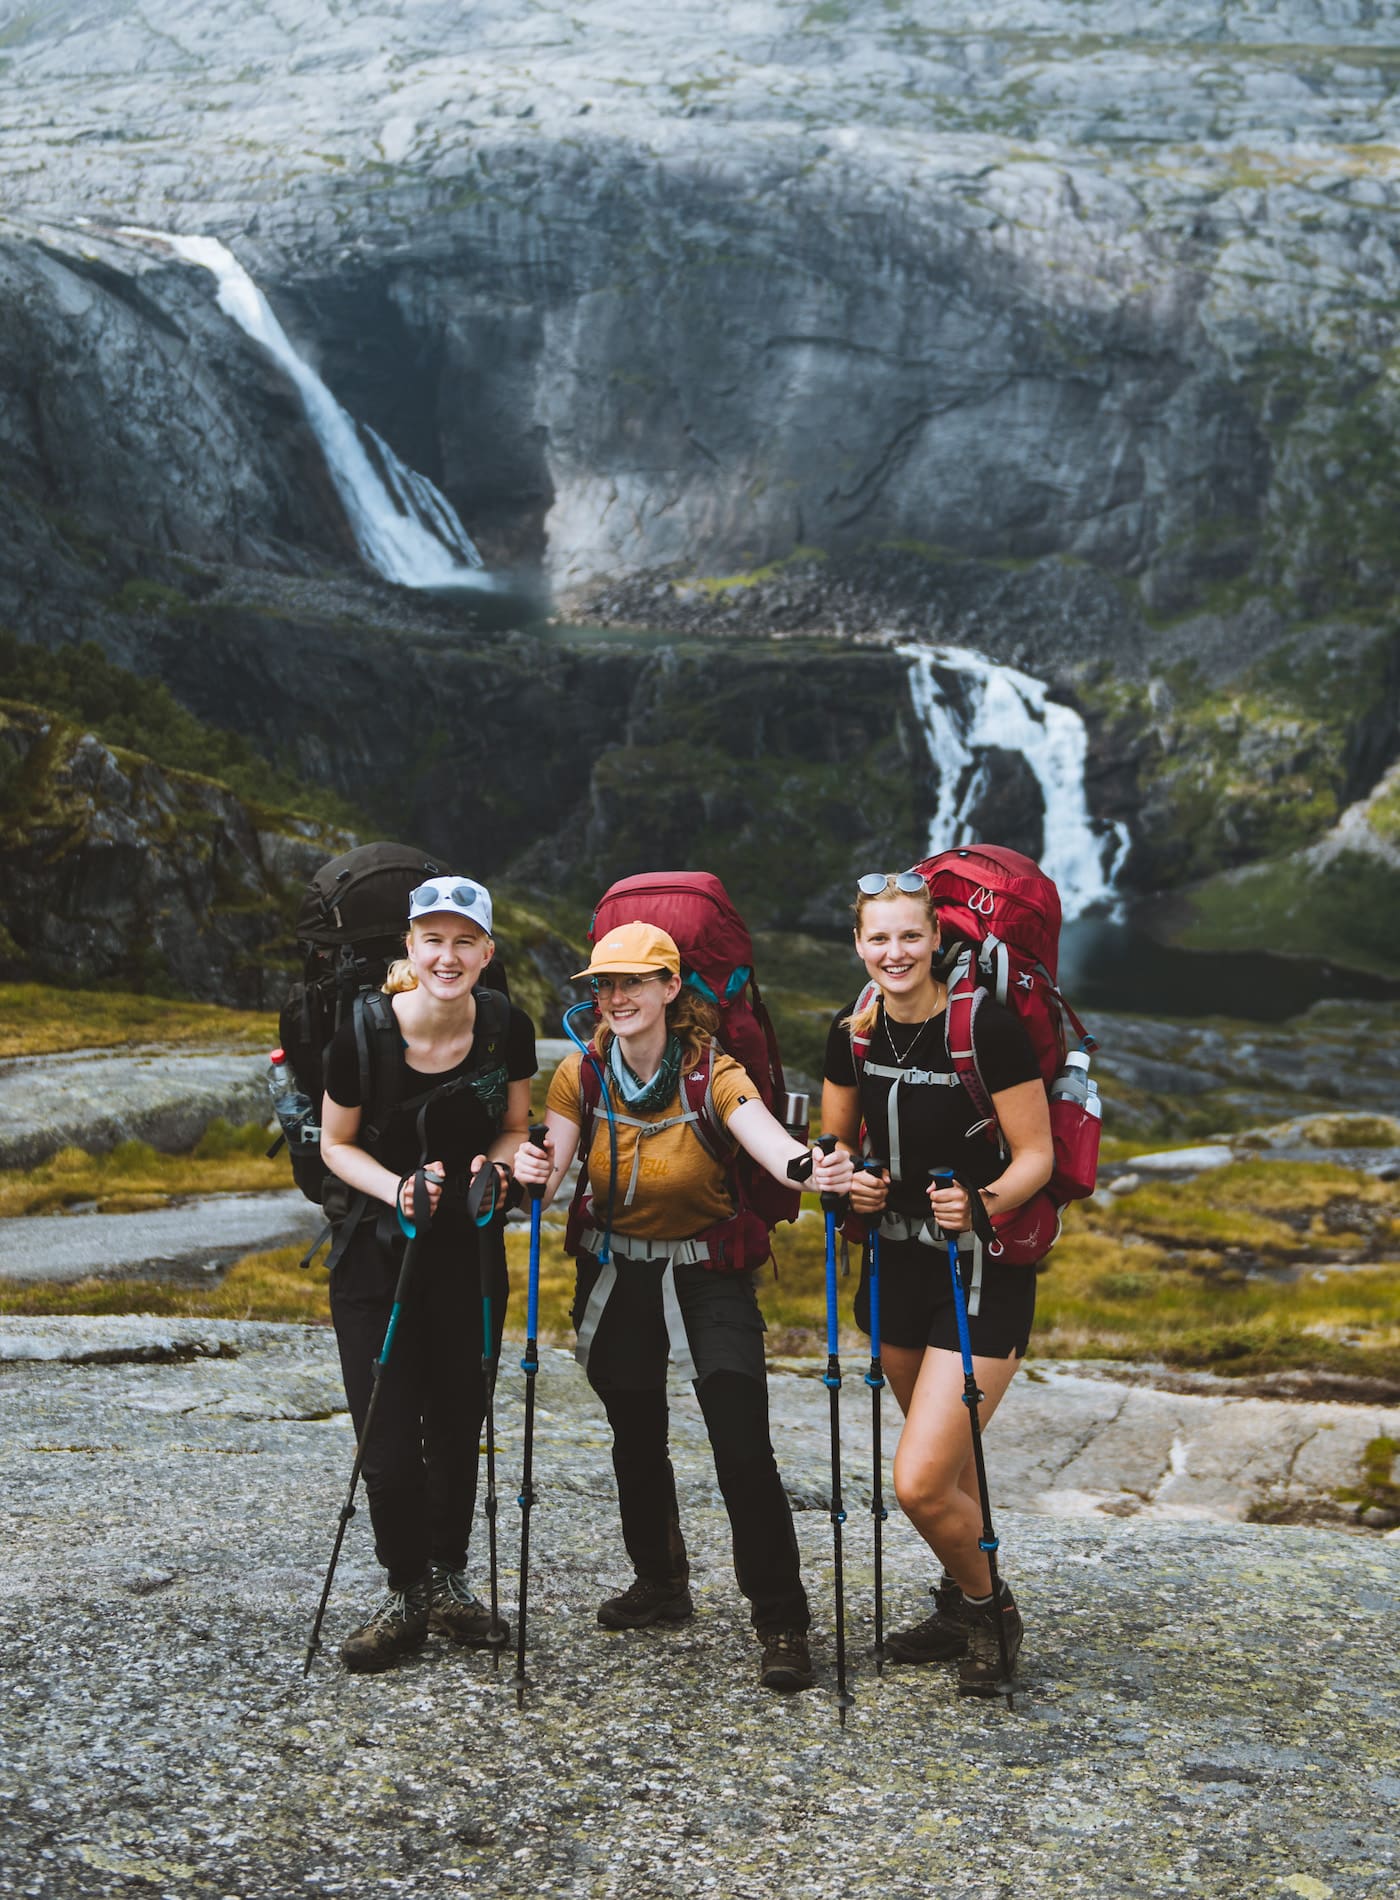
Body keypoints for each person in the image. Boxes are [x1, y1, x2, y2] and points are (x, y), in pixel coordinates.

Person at [512, 920, 852, 1694]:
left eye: (634, 982)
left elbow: (768, 1142)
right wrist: (532, 1167)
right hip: (615, 1272)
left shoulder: (714, 1073)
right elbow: (553, 1169)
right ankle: (661, 1583)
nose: (617, 997)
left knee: (741, 1449)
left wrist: (810, 1166)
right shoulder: (582, 1074)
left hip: (709, 1275)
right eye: (605, 984)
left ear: (672, 989)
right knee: (635, 1437)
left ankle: (781, 1618)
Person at [821, 871, 1052, 1694]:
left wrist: (980, 1203)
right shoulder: (852, 1032)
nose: (895, 952)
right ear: (859, 945)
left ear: (935, 940)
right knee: (947, 1476)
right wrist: (850, 1180)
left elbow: (1038, 1156)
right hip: (894, 1268)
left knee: (918, 1482)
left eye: (910, 936)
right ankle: (961, 1604)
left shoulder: (984, 1026)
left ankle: (993, 1611)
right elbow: (836, 1147)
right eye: (878, 938)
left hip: (980, 1271)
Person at [319, 876, 535, 1673]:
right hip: (375, 1255)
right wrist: (399, 1189)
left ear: (486, 952)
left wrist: (498, 1170)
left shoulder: (507, 1026)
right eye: (432, 939)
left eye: (464, 941)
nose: (448, 956)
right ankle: (405, 1588)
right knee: (386, 1437)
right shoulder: (363, 1033)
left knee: (456, 1424)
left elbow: (515, 1127)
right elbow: (334, 1144)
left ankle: (445, 1582)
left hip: (468, 1253)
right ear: (410, 948)